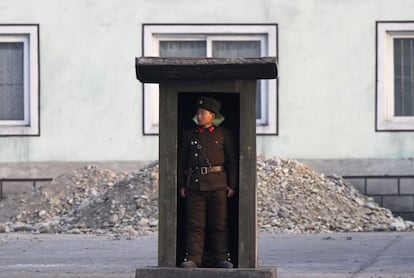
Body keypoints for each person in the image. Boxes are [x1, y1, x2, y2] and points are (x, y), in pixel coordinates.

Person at [178, 96, 237, 268]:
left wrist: (232, 185)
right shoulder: (190, 135)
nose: (199, 116)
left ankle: (222, 258)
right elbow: (181, 162)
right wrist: (182, 184)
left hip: (218, 185)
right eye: (198, 112)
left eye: (203, 113)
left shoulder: (223, 134)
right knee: (195, 225)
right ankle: (193, 258)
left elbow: (232, 161)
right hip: (195, 185)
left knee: (219, 224)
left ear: (212, 116)